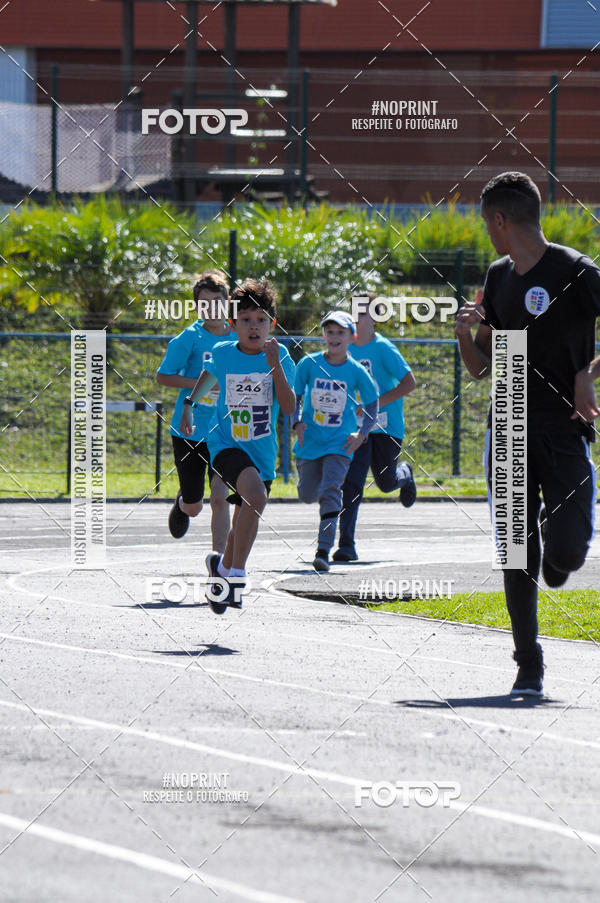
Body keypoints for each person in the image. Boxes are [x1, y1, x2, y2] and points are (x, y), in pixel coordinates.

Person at [455, 171, 600, 696]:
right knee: (516, 551)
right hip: (511, 423)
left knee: (566, 555)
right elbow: (483, 367)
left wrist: (589, 370)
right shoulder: (498, 277)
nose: (487, 235)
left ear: (500, 220)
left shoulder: (575, 271)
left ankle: (558, 547)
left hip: (565, 428)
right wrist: (465, 336)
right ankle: (528, 664)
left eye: (487, 224)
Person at [181, 277, 296, 613]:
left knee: (248, 512)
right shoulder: (222, 353)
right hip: (226, 445)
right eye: (245, 320)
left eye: (261, 320)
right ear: (232, 325)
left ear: (271, 324)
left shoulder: (280, 355)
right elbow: (209, 375)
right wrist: (190, 402)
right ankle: (236, 576)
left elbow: (289, 408)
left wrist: (275, 366)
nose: (253, 327)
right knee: (255, 496)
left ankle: (221, 570)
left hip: (262, 451)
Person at [293, 310, 379, 572]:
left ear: (351, 337)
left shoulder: (356, 371)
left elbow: (373, 402)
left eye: (341, 332)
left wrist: (362, 433)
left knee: (331, 490)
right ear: (323, 336)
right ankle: (316, 492)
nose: (334, 337)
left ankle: (323, 550)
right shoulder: (308, 364)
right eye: (330, 332)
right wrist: (296, 422)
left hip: (340, 443)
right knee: (308, 494)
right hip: (310, 441)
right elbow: (294, 396)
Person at [334, 298, 417, 562]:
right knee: (352, 483)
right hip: (358, 429)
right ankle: (346, 544)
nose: (357, 317)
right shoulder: (344, 349)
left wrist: (374, 404)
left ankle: (405, 474)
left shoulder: (383, 349)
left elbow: (409, 383)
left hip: (386, 426)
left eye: (363, 313)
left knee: (386, 482)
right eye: (353, 312)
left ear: (375, 319)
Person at [157, 270, 233, 551]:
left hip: (224, 431)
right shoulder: (189, 337)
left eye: (217, 301)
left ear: (228, 303)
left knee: (220, 497)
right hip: (188, 429)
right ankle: (183, 502)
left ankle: (221, 562)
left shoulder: (239, 335)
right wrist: (201, 384)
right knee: (193, 507)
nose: (211, 308)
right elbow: (163, 376)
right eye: (205, 303)